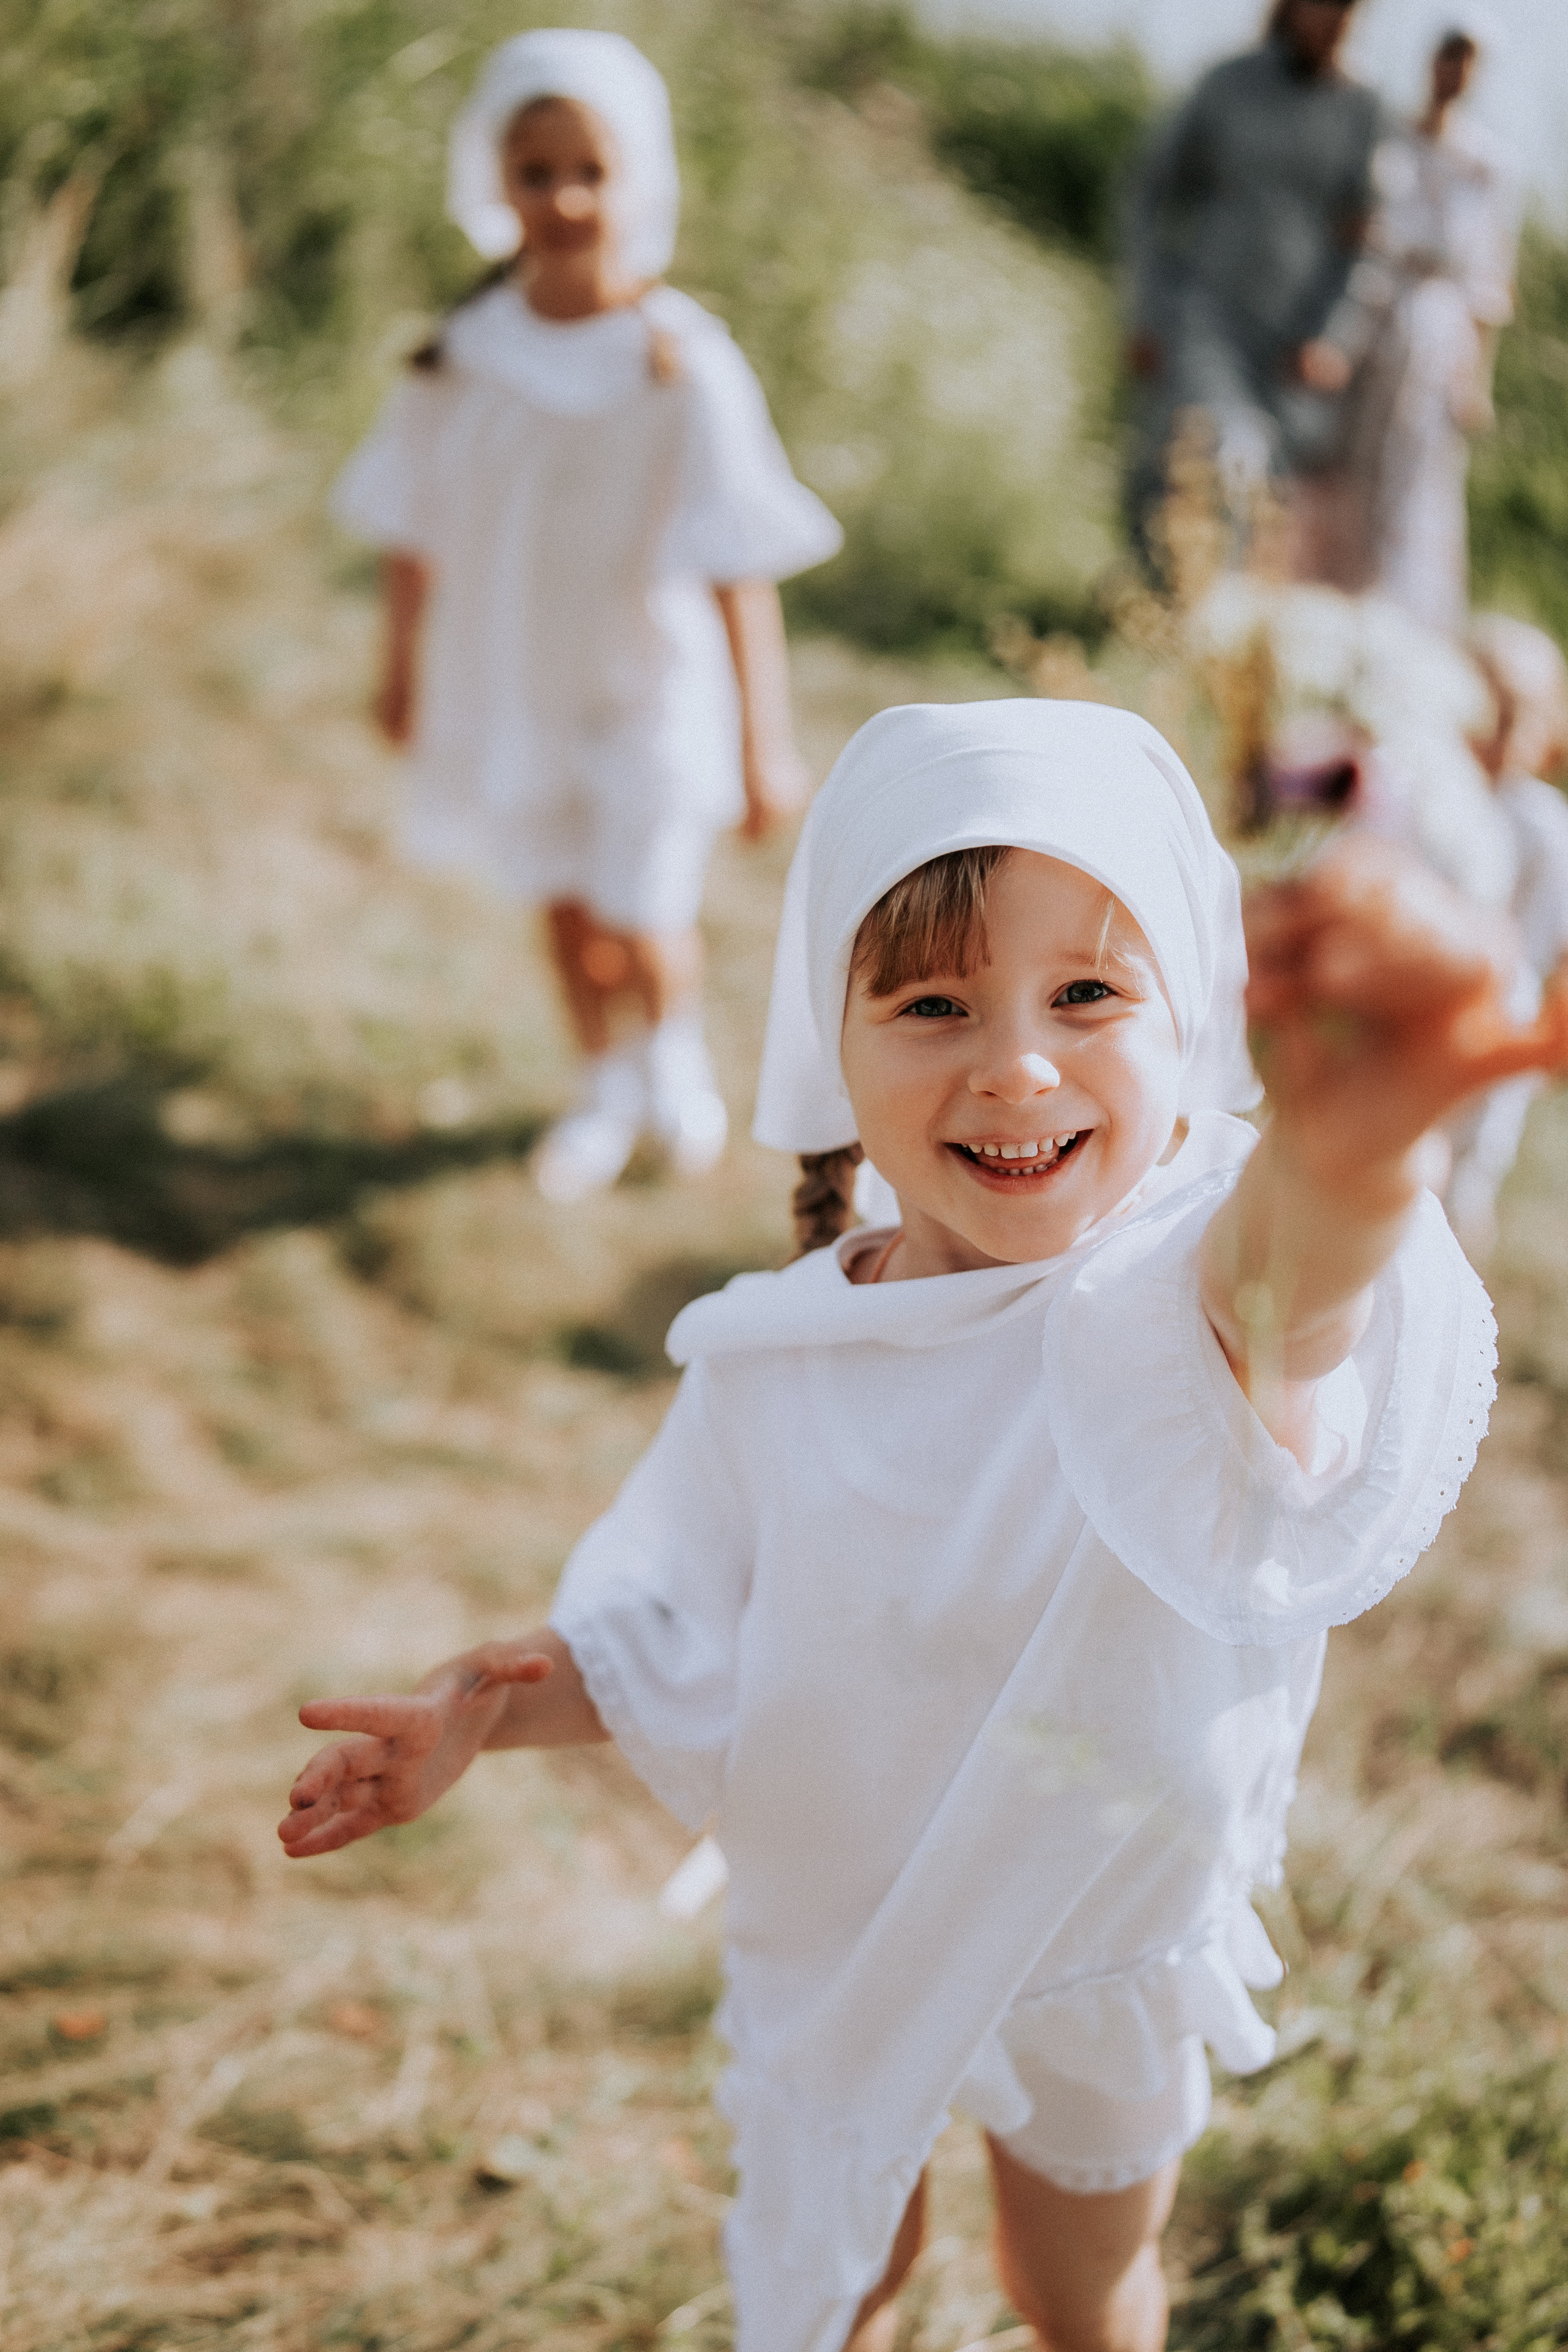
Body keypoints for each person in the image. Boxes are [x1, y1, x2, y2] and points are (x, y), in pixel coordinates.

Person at [277, 700, 1567, 2352]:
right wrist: (483, 1706)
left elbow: (1292, 1285)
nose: (1014, 1064)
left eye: (1086, 994)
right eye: (933, 1003)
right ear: (835, 1039)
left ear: (1192, 1016)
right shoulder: (781, 1351)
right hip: (843, 1914)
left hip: (1093, 1916)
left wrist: (1358, 1143)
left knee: (1075, 2283)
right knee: (842, 2274)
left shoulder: (1175, 1307)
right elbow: (669, 1627)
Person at [332, 31, 841, 1202]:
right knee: (560, 897)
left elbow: (738, 562)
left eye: (591, 172)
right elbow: (414, 527)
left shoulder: (680, 363)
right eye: (535, 171)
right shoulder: (462, 356)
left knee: (646, 909)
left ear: (639, 178)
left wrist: (765, 741)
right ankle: (600, 1083)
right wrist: (400, 668)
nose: (563, 199)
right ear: (494, 181)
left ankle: (672, 1063)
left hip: (649, 685)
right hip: (515, 675)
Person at [1125, 0, 1385, 583]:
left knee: (1261, 479)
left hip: (1291, 339)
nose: (1339, 21)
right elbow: (1151, 194)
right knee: (1214, 450)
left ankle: (1190, 606)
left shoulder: (1363, 111)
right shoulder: (1229, 85)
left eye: (1352, 9)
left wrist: (1330, 334)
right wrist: (1147, 308)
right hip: (1207, 312)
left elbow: (1362, 239)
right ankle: (1172, 600)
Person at [1324, 9, 1519, 636]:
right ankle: (1331, 588)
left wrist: (1478, 379)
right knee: (1345, 456)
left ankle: (1402, 614)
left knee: (1416, 477)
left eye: (1468, 61)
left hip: (1437, 330)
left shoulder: (1486, 165)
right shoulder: (1385, 134)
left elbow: (1488, 282)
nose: (1455, 71)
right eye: (1448, 55)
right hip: (1370, 309)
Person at [1442, 615, 1568, 1256]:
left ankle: (1454, 1296)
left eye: (1523, 711)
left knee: (1464, 1185)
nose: (1503, 725)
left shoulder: (1543, 824)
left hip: (1499, 1028)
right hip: (1415, 1011)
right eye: (1490, 700)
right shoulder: (1428, 797)